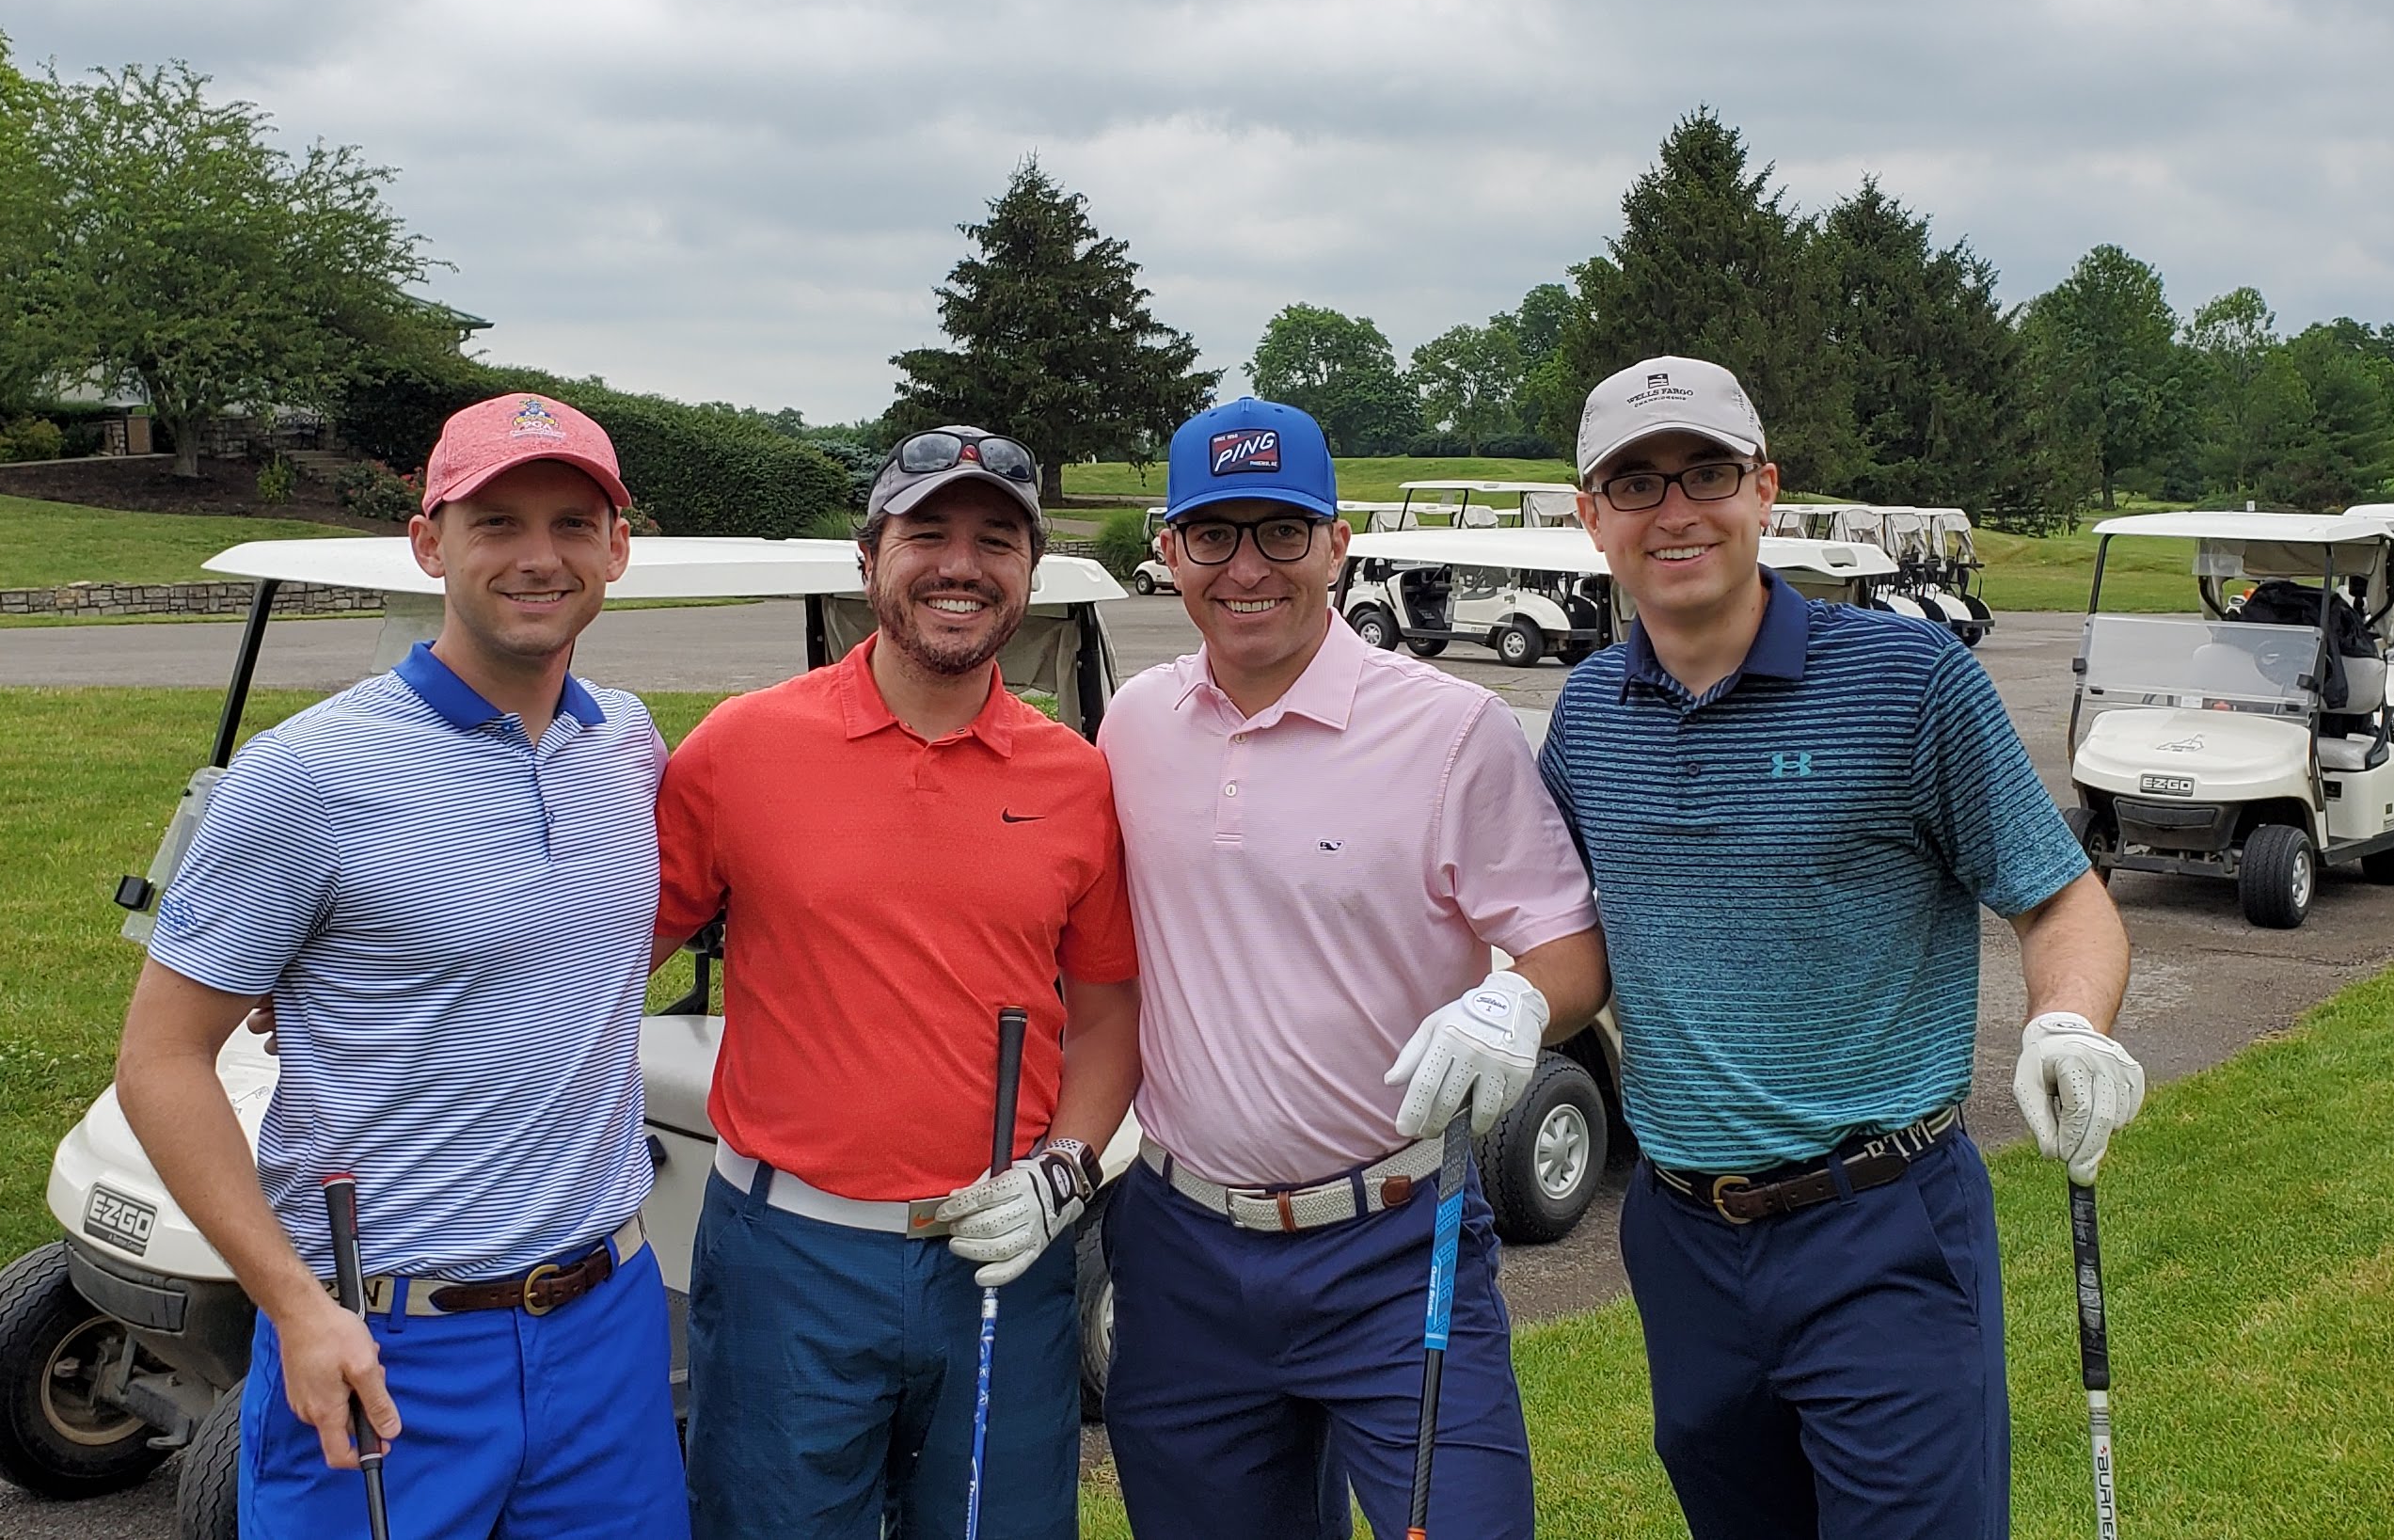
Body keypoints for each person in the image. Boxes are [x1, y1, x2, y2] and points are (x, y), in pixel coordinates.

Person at [1537, 357, 2148, 1540]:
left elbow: (2062, 900)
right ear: (1591, 517)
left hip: (1882, 1225)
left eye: (1706, 473)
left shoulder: (1912, 682)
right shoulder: (1588, 717)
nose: (1676, 511)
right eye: (1636, 483)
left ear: (1764, 490)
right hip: (1682, 1238)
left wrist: (2069, 1020)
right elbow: (1572, 932)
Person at [116, 391, 688, 1538]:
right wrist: (291, 1307)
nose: (539, 556)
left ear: (618, 548)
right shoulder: (306, 776)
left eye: (573, 522)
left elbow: (590, 940)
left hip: (605, 1318)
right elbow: (162, 1063)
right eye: (496, 522)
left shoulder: (626, 743)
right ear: (429, 542)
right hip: (384, 1338)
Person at [1091, 399, 1605, 1538]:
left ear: (1338, 540)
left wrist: (1517, 999)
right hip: (1181, 1251)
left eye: (1282, 531)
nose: (1248, 569)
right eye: (1214, 535)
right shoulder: (1133, 723)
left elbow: (1567, 943)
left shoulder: (1455, 729)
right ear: (1168, 548)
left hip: (1392, 1239)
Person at [656, 424, 1142, 1540]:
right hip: (790, 1259)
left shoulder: (1075, 778)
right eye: (928, 533)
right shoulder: (741, 748)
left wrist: (1066, 1171)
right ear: (869, 558)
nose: (960, 566)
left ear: (1027, 574)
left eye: (996, 541)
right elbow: (603, 951)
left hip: (1002, 1258)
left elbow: (1110, 1010)